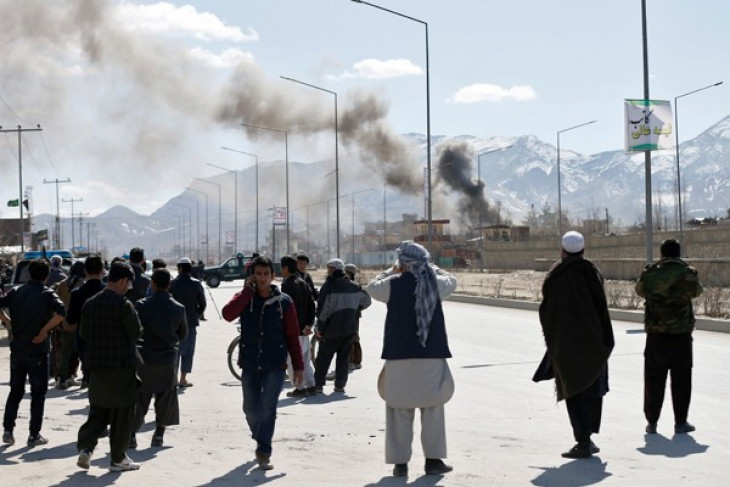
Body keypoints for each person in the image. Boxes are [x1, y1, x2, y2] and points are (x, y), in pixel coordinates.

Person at [366, 241, 457, 477]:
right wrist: (432, 267)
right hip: (431, 355)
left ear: (401, 262)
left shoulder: (392, 284)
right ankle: (433, 461)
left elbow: (371, 286)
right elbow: (452, 279)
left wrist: (392, 270)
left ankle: (400, 464)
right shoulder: (436, 283)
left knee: (399, 410)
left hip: (399, 356)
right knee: (433, 408)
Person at [221, 255, 304, 471]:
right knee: (250, 408)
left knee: (268, 408)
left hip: (275, 365)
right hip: (249, 363)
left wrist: (299, 366)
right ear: (252, 276)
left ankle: (264, 450)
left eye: (266, 274)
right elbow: (227, 314)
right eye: (258, 274)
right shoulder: (244, 298)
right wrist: (247, 292)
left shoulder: (283, 302)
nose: (263, 278)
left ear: (273, 276)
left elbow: (293, 336)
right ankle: (261, 436)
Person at [538, 231, 614, 459]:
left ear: (562, 251)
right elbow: (601, 306)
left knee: (574, 389)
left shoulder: (556, 275)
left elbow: (547, 311)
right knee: (592, 387)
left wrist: (554, 338)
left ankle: (583, 441)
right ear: (583, 251)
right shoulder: (593, 272)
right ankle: (587, 437)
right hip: (594, 341)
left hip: (567, 345)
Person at [75, 262, 142, 472]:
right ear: (123, 281)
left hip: (96, 367)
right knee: (123, 412)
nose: (128, 287)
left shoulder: (90, 304)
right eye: (128, 283)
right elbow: (135, 333)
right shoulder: (124, 305)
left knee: (99, 410)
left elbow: (83, 334)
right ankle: (118, 458)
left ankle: (86, 448)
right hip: (121, 367)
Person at [635, 238, 703, 435]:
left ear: (662, 253)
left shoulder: (650, 273)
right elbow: (698, 292)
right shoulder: (688, 272)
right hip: (681, 335)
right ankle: (680, 422)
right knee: (682, 379)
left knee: (653, 379)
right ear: (678, 253)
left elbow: (639, 291)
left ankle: (652, 422)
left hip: (657, 334)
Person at [1, 259, 66, 447]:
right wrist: (45, 331)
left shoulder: (16, 292)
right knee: (38, 394)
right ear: (46, 276)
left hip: (18, 350)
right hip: (38, 350)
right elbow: (62, 312)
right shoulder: (47, 294)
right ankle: (33, 434)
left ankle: (8, 430)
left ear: (29, 274)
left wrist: (7, 320)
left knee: (15, 391)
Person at [131, 268, 187, 449]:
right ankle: (158, 435)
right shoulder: (178, 308)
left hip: (144, 357)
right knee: (165, 397)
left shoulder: (141, 305)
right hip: (167, 358)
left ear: (152, 284)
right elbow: (183, 334)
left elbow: (134, 330)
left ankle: (131, 435)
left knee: (139, 398)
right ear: (169, 285)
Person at [313, 258, 371, 394]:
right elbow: (367, 301)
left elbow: (323, 311)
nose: (327, 271)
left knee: (323, 359)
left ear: (333, 269)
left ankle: (318, 386)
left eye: (328, 268)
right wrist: (355, 309)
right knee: (343, 360)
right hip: (349, 329)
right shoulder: (354, 286)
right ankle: (340, 386)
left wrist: (319, 328)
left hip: (331, 330)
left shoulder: (328, 286)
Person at [66, 255, 106, 389]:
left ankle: (88, 382)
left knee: (89, 371)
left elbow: (71, 319)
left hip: (84, 339)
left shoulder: (77, 293)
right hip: (107, 340)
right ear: (102, 271)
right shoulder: (108, 292)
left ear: (85, 271)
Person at [280, 256, 316, 397]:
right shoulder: (302, 282)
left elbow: (287, 310)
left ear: (286, 268)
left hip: (294, 330)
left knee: (293, 360)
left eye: (282, 267)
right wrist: (309, 324)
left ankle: (300, 388)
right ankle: (311, 385)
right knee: (305, 360)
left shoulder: (287, 285)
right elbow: (311, 305)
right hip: (304, 330)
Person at [169, 257, 206, 388]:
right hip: (190, 322)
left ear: (179, 268)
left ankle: (173, 379)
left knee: (175, 351)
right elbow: (203, 303)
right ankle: (183, 379)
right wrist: (197, 315)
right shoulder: (196, 284)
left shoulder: (172, 284)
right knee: (188, 352)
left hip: (174, 323)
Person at [52, 260, 86, 390]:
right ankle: (82, 378)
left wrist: (59, 322)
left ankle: (62, 378)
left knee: (65, 351)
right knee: (81, 352)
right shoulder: (82, 285)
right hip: (79, 323)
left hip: (64, 322)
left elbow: (57, 303)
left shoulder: (62, 284)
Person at [345, 263, 363, 371]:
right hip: (352, 313)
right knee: (353, 337)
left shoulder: (353, 286)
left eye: (346, 272)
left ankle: (353, 361)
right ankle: (355, 361)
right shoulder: (351, 285)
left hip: (353, 314)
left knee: (353, 337)